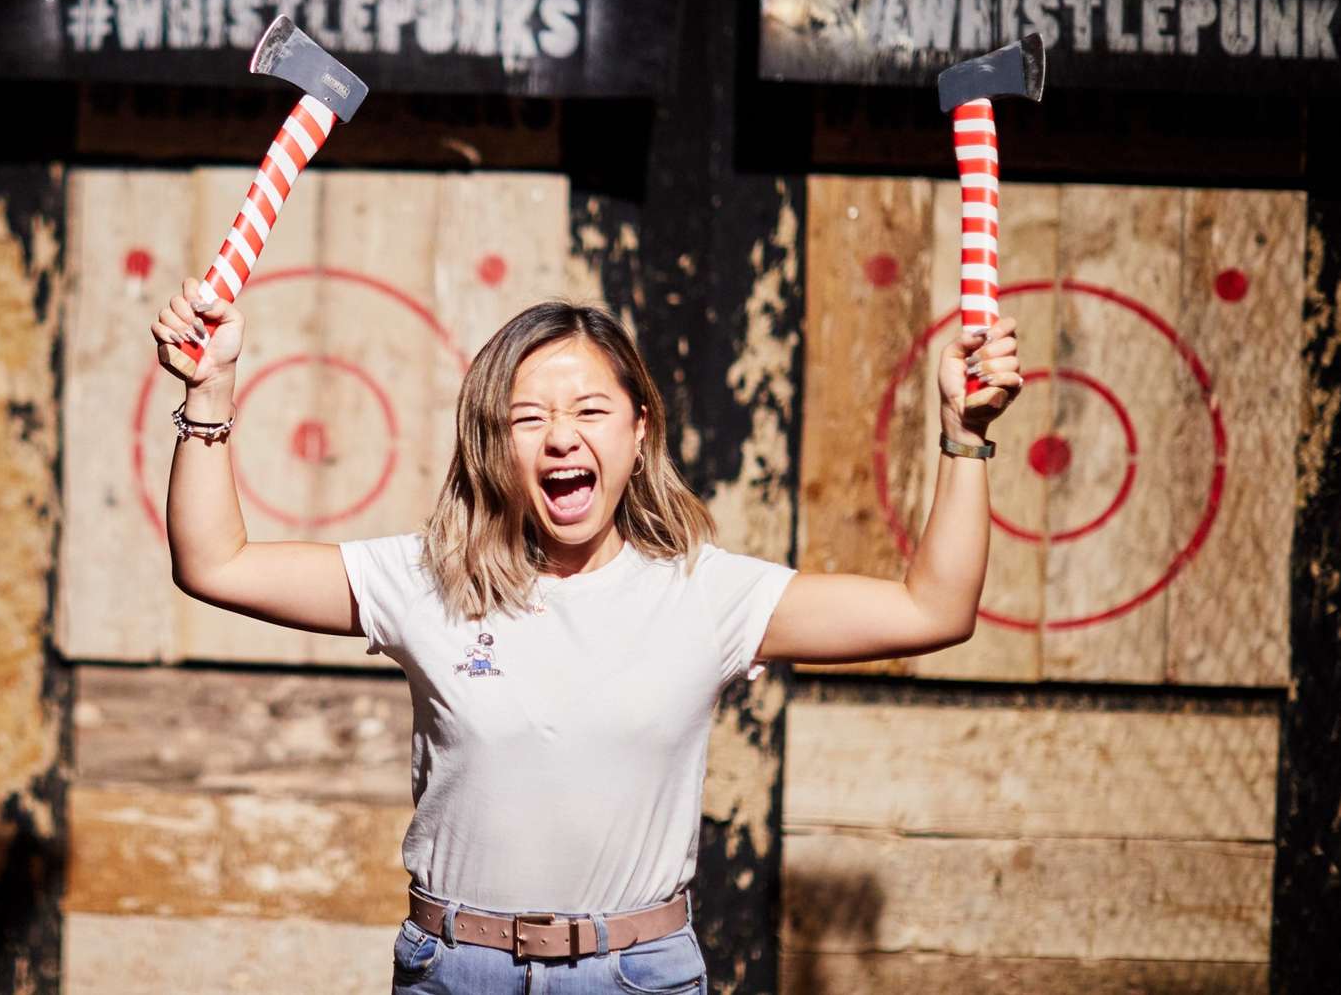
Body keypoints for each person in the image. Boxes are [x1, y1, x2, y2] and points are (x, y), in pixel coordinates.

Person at [148, 278, 1020, 995]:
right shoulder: (427, 578)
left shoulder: (705, 594)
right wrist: (210, 395)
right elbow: (214, 563)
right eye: (527, 417)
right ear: (494, 446)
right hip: (458, 971)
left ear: (639, 432)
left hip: (637, 974)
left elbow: (931, 612)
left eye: (590, 410)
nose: (561, 435)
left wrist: (964, 438)